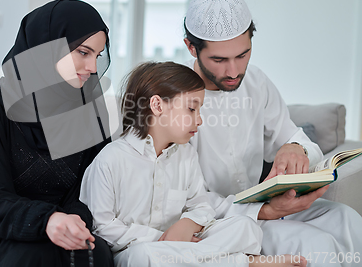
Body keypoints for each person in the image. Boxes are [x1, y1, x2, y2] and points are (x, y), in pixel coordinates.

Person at [183, 0, 362, 266]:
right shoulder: (174, 98)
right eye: (219, 60)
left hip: (268, 206)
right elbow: (184, 199)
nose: (233, 72)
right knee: (318, 245)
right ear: (191, 47)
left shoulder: (255, 81)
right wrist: (265, 211)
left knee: (347, 218)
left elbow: (296, 138)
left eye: (242, 55)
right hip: (221, 221)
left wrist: (294, 147)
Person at [80, 61, 307, 267]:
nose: (199, 120)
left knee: (245, 227)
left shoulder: (186, 155)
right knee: (145, 257)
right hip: (139, 250)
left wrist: (188, 223)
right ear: (157, 106)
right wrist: (160, 238)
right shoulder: (111, 159)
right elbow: (101, 226)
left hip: (186, 245)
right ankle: (247, 263)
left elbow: (201, 205)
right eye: (192, 109)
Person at [0, 0, 114, 266]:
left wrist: (73, 220)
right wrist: (47, 220)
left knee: (98, 254)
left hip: (68, 228)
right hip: (3, 233)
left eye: (97, 56)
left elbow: (95, 184)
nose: (93, 68)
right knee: (28, 259)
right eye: (83, 53)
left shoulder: (91, 109)